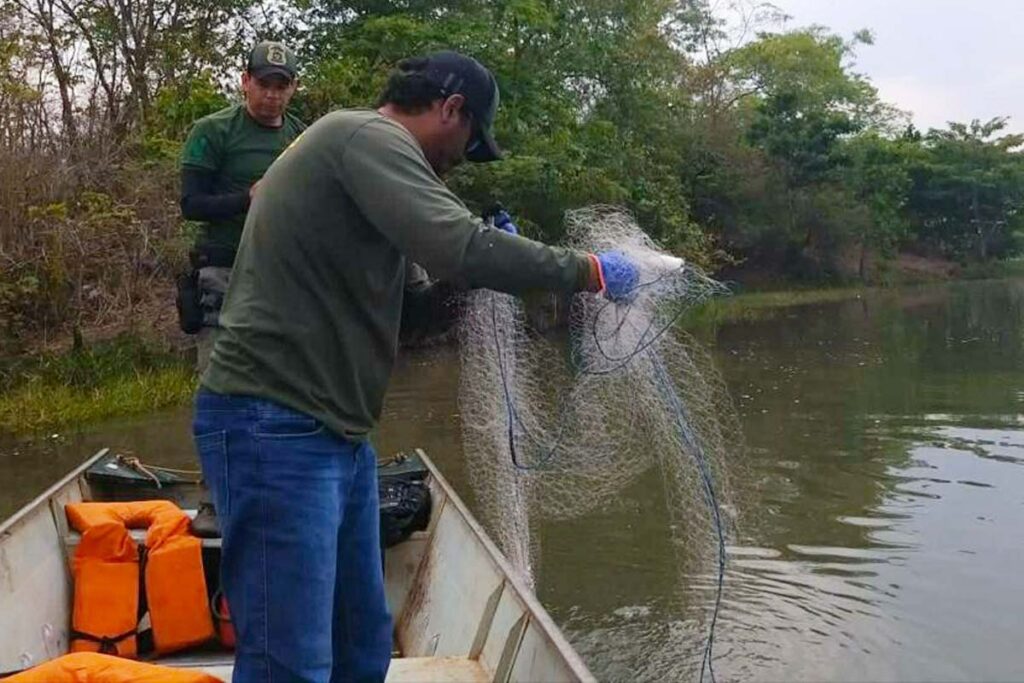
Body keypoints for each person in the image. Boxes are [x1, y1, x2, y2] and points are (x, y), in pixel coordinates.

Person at [191, 51, 638, 683]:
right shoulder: (364, 136)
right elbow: (457, 245)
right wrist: (586, 272)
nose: (461, 159)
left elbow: (418, 315)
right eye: (468, 142)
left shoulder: (377, 179)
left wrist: (475, 282)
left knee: (361, 645)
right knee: (288, 660)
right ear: (450, 109)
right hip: (272, 421)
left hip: (337, 434)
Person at [179, 40, 305, 372]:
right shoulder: (212, 131)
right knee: (221, 376)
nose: (272, 94)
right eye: (264, 84)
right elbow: (191, 204)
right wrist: (249, 198)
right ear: (245, 81)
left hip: (281, 272)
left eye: (282, 85)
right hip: (225, 270)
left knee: (282, 378)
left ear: (294, 87)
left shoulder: (302, 137)